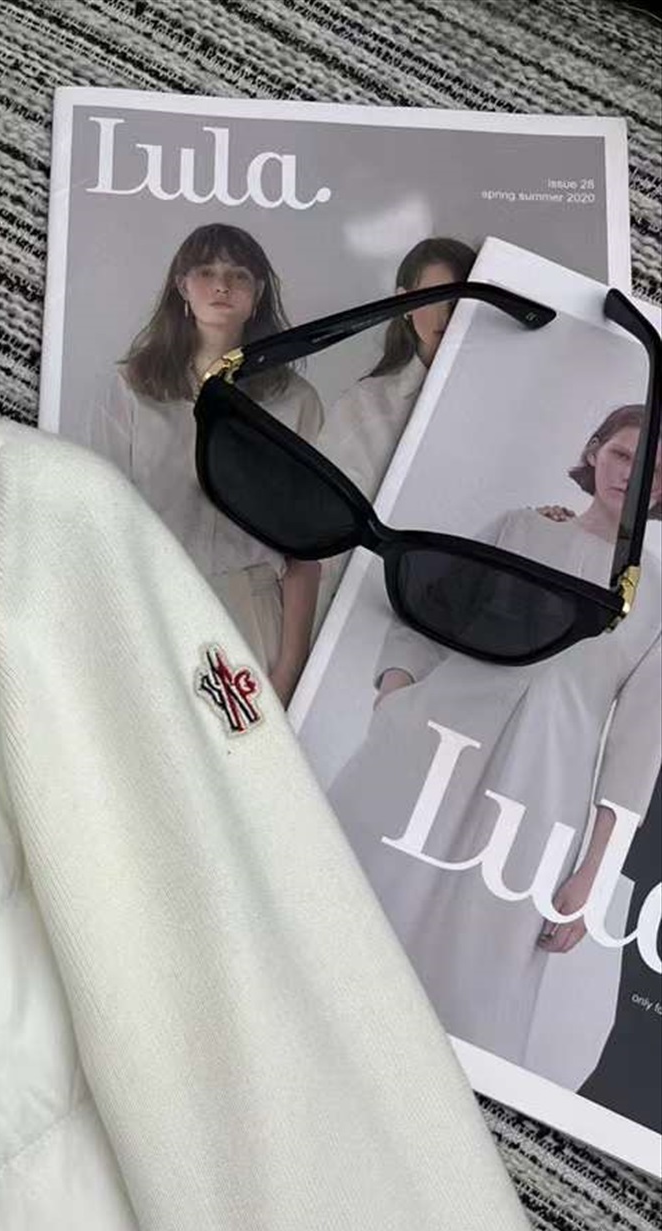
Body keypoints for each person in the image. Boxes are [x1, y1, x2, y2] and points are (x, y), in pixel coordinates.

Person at [327, 404, 661, 1073]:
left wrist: (592, 875)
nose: (633, 475)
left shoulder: (656, 596)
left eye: (653, 469)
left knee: (477, 984)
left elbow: (637, 748)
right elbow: (422, 616)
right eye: (623, 454)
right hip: (427, 752)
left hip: (537, 799)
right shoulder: (518, 528)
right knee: (355, 917)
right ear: (594, 451)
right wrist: (395, 698)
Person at [88, 223, 324, 703]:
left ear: (258, 293)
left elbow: (308, 550)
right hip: (154, 607)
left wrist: (288, 669)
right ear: (182, 286)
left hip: (254, 614)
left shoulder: (295, 401)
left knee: (246, 748)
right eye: (206, 272)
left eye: (238, 275)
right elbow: (101, 522)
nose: (222, 286)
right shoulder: (132, 389)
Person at [313, 237, 476, 629]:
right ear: (404, 304)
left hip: (467, 606)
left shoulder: (498, 404)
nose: (447, 312)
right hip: (369, 608)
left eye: (460, 297)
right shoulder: (364, 406)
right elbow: (326, 535)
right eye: (434, 296)